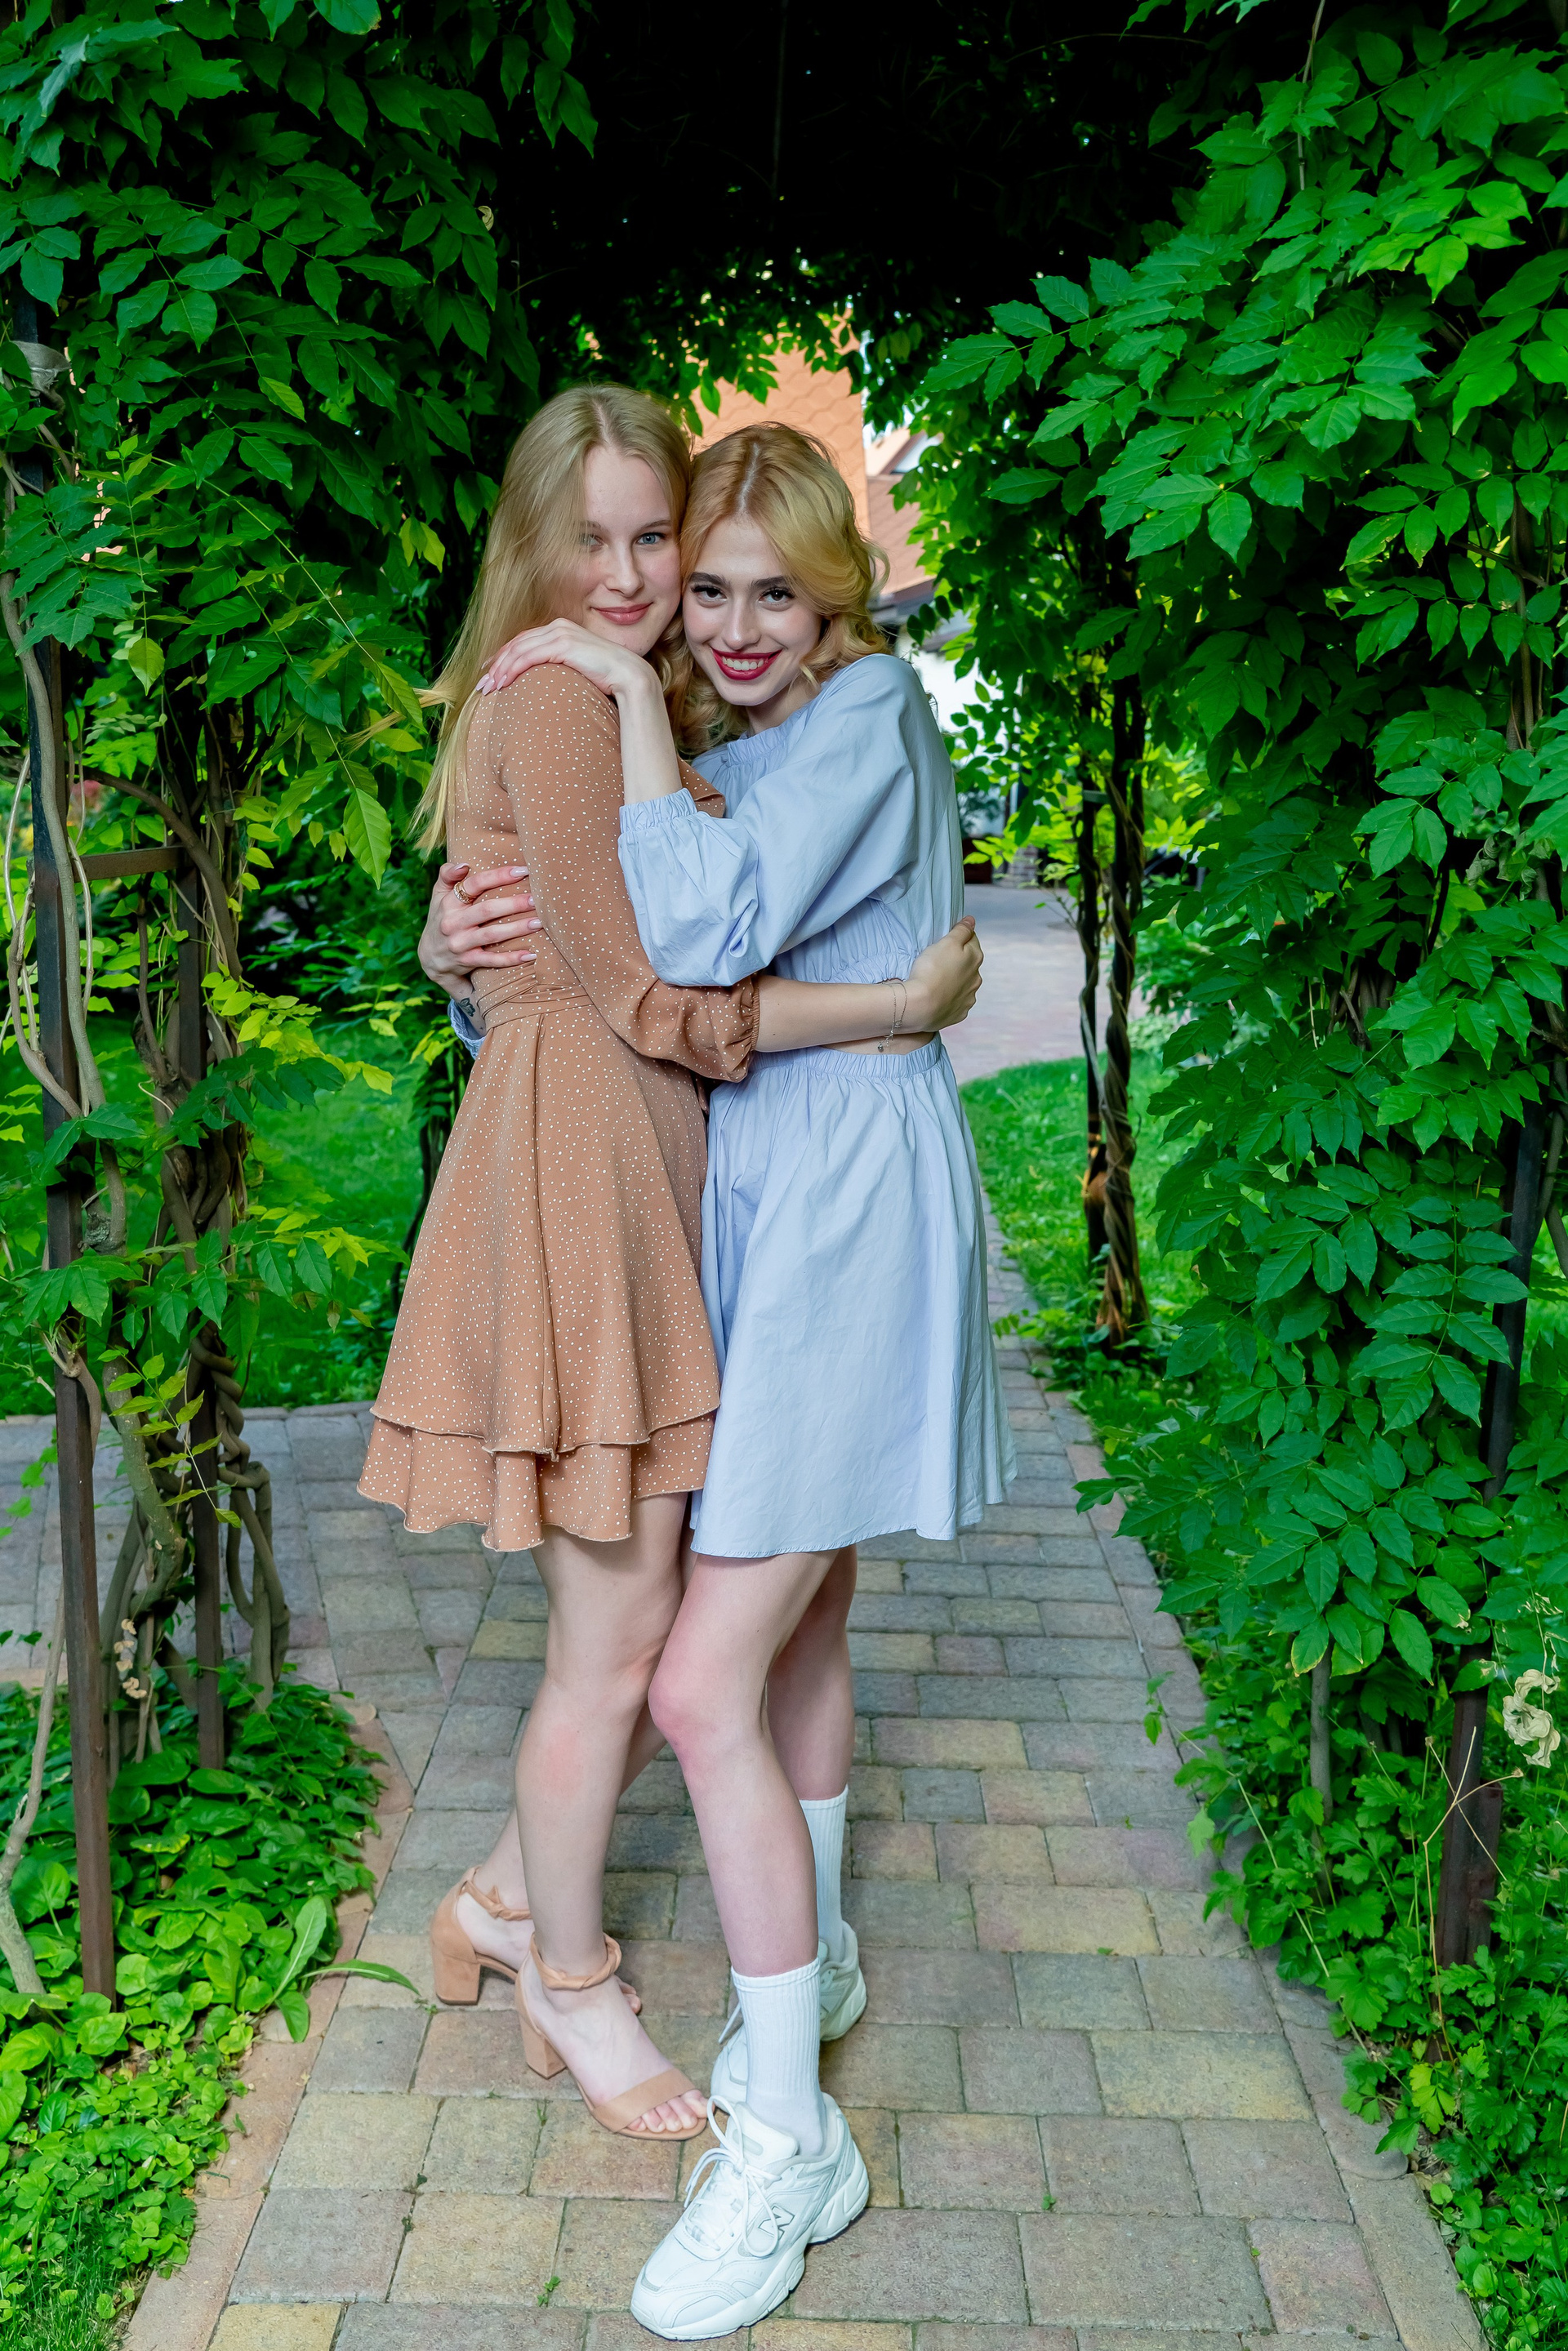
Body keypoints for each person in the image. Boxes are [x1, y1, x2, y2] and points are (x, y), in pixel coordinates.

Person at [362, 385, 982, 2148]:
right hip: (597, 1177)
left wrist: (476, 964)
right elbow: (651, 990)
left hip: (648, 1173)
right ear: (536, 546)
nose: (639, 581)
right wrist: (897, 1006)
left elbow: (582, 944)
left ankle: (507, 1902)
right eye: (607, 544)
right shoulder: (572, 695)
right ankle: (564, 1974)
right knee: (629, 1632)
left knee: (678, 1616)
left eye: (663, 541)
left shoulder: (685, 703)